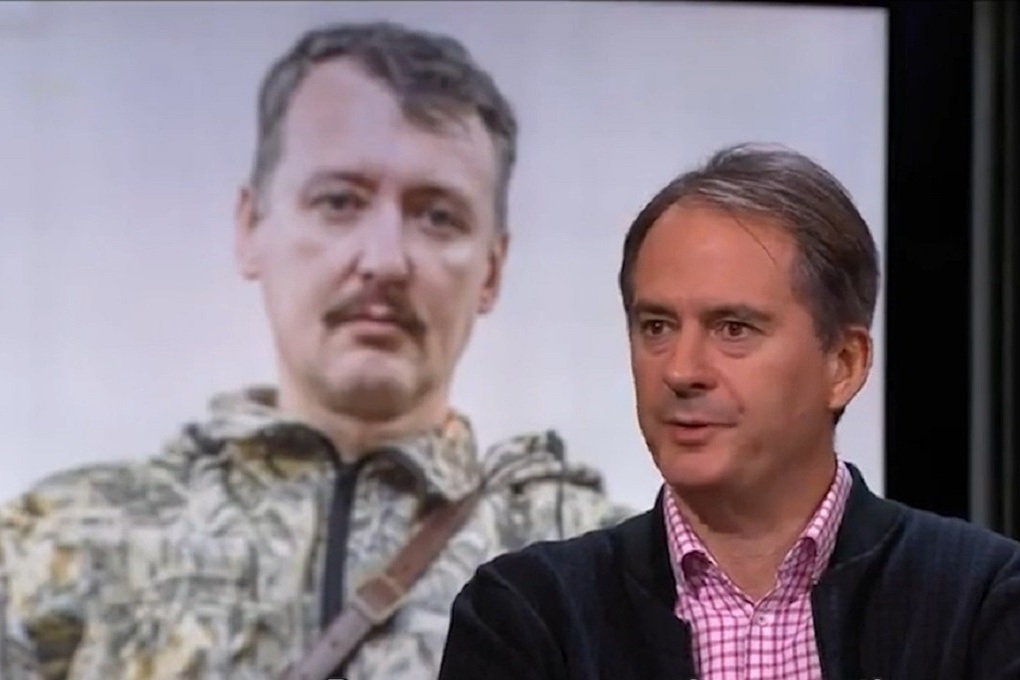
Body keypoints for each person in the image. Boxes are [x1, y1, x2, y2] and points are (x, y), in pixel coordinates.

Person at [0, 21, 632, 680]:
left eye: (437, 216)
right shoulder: (54, 552)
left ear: (492, 269)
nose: (384, 260)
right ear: (251, 226)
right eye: (339, 202)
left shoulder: (601, 574)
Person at [438, 143, 1020, 680]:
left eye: (733, 328)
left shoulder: (980, 602)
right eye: (657, 326)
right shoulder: (527, 616)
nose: (680, 370)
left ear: (843, 364)